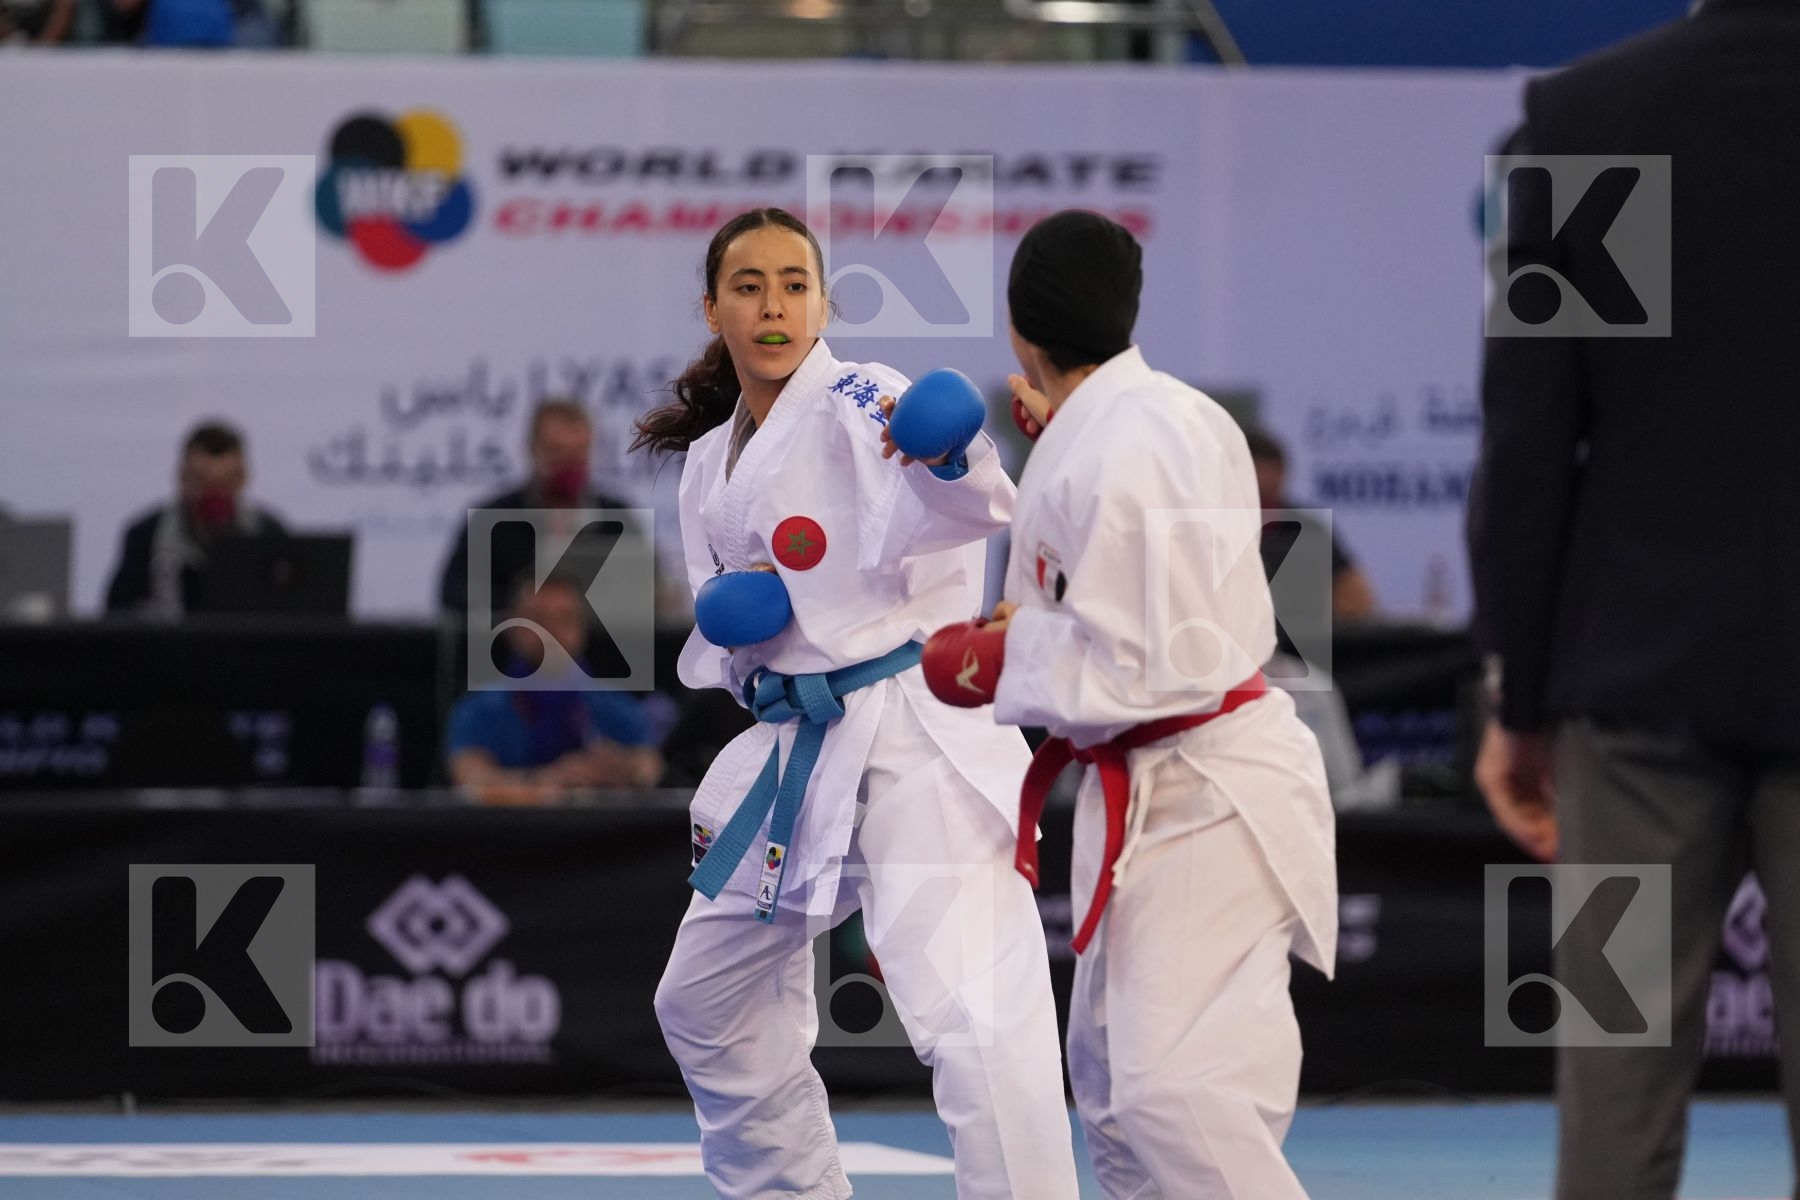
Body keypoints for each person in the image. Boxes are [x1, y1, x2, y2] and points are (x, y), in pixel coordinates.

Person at [632, 207, 1078, 1200]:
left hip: (917, 730)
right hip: (798, 741)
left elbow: (961, 506)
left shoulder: (864, 392)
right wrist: (737, 640)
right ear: (714, 310)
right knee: (706, 1000)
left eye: (795, 284)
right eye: (748, 287)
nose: (774, 305)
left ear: (824, 302)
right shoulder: (711, 462)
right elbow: (723, 649)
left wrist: (953, 456)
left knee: (976, 1019)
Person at [923, 210, 1337, 1199]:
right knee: (1113, 1096)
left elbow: (1152, 665)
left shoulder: (1120, 447)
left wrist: (992, 661)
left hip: (1203, 785)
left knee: (1169, 1098)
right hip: (1160, 781)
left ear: (1022, 331)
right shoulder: (1145, 422)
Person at [1468, 4, 1800, 1198]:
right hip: (1642, 695)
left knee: (1615, 1092)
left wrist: (1518, 687)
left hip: (1634, 698)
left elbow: (1533, 432)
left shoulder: (1601, 118)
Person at [446, 571, 663, 806]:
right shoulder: (479, 708)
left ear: (582, 629)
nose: (550, 631)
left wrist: (622, 768)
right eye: (536, 619)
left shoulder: (611, 702)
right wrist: (549, 781)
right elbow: (469, 780)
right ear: (511, 628)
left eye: (565, 619)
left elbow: (649, 767)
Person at [437, 398, 641, 615]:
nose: (568, 466)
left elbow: (645, 591)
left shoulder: (616, 521)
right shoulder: (493, 521)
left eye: (578, 454)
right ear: (532, 450)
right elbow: (454, 593)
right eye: (556, 452)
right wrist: (520, 607)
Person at [105, 420, 288, 617]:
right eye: (202, 481)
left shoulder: (270, 535)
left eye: (225, 482)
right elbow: (118, 615)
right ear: (182, 478)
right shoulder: (146, 537)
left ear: (243, 478)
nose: (215, 493)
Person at [1245, 426, 1377, 627]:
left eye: (1272, 471)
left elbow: (1356, 596)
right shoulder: (1212, 530)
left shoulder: (1307, 528)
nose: (1263, 480)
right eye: (1255, 472)